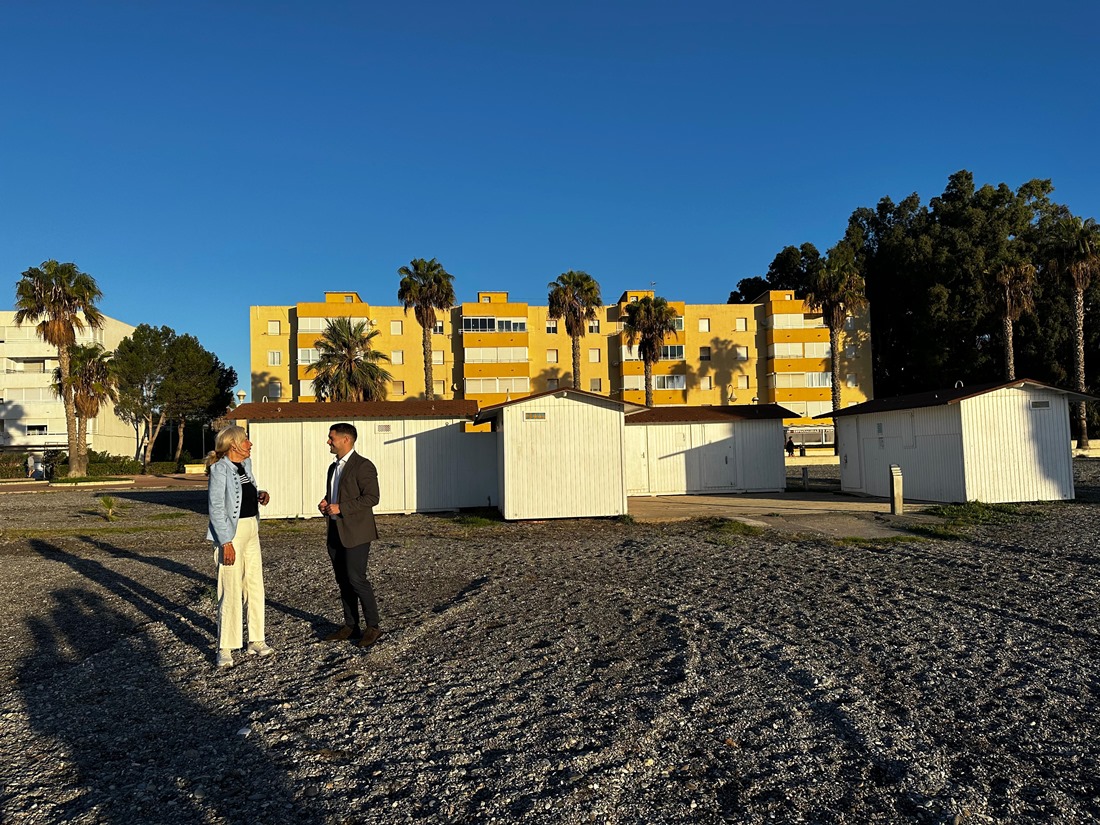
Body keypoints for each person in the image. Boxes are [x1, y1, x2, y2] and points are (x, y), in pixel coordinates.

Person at [205, 425, 272, 668]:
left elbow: (241, 494)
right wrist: (226, 542)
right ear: (233, 445)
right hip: (230, 535)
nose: (250, 444)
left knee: (254, 585)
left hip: (251, 530)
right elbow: (216, 508)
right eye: (246, 441)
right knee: (229, 589)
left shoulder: (246, 466)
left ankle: (256, 639)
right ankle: (225, 647)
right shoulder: (219, 469)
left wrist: (259, 494)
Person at [318, 422, 382, 648]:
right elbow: (335, 495)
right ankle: (351, 625)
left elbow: (372, 497)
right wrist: (326, 503)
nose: (328, 441)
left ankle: (373, 626)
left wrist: (341, 508)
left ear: (346, 439)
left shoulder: (363, 466)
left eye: (331, 438)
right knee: (343, 580)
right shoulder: (333, 467)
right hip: (335, 530)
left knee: (357, 579)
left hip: (356, 532)